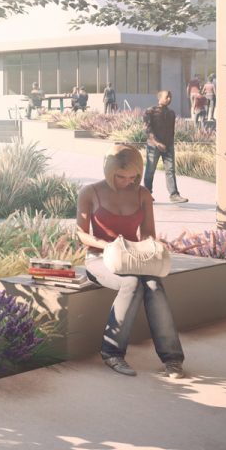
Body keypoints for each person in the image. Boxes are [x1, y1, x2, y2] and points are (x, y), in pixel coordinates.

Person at [76, 144, 187, 379]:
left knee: (154, 286)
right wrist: (108, 246)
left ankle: (172, 359)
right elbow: (81, 233)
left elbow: (147, 233)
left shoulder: (142, 194)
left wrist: (150, 248)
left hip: (134, 256)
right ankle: (112, 353)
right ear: (109, 171)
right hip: (99, 257)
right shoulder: (90, 192)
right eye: (120, 176)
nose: (126, 181)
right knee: (131, 284)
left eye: (132, 177)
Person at [142, 90, 186, 203]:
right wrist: (157, 143)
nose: (169, 99)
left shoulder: (171, 113)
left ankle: (174, 194)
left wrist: (170, 145)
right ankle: (147, 195)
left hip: (168, 146)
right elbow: (147, 129)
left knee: (170, 170)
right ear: (159, 98)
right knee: (150, 170)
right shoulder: (150, 111)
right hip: (153, 146)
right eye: (167, 97)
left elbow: (172, 131)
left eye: (170, 97)